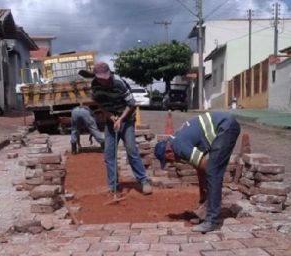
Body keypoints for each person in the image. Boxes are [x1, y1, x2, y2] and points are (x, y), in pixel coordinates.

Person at [154, 112, 240, 232]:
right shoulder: (176, 140)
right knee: (211, 171)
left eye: (168, 160)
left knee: (213, 172)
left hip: (225, 127)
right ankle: (207, 214)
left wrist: (206, 195)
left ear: (168, 152)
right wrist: (203, 196)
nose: (172, 163)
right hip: (224, 126)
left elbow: (206, 167)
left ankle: (212, 221)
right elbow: (199, 167)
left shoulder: (179, 146)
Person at [91, 62, 152, 195]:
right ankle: (113, 185)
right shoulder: (94, 86)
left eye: (105, 78)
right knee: (109, 154)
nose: (104, 81)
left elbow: (131, 104)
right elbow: (100, 105)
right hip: (111, 121)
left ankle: (143, 181)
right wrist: (111, 117)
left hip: (127, 119)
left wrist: (120, 119)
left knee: (131, 151)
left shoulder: (119, 83)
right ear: (96, 77)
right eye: (101, 79)